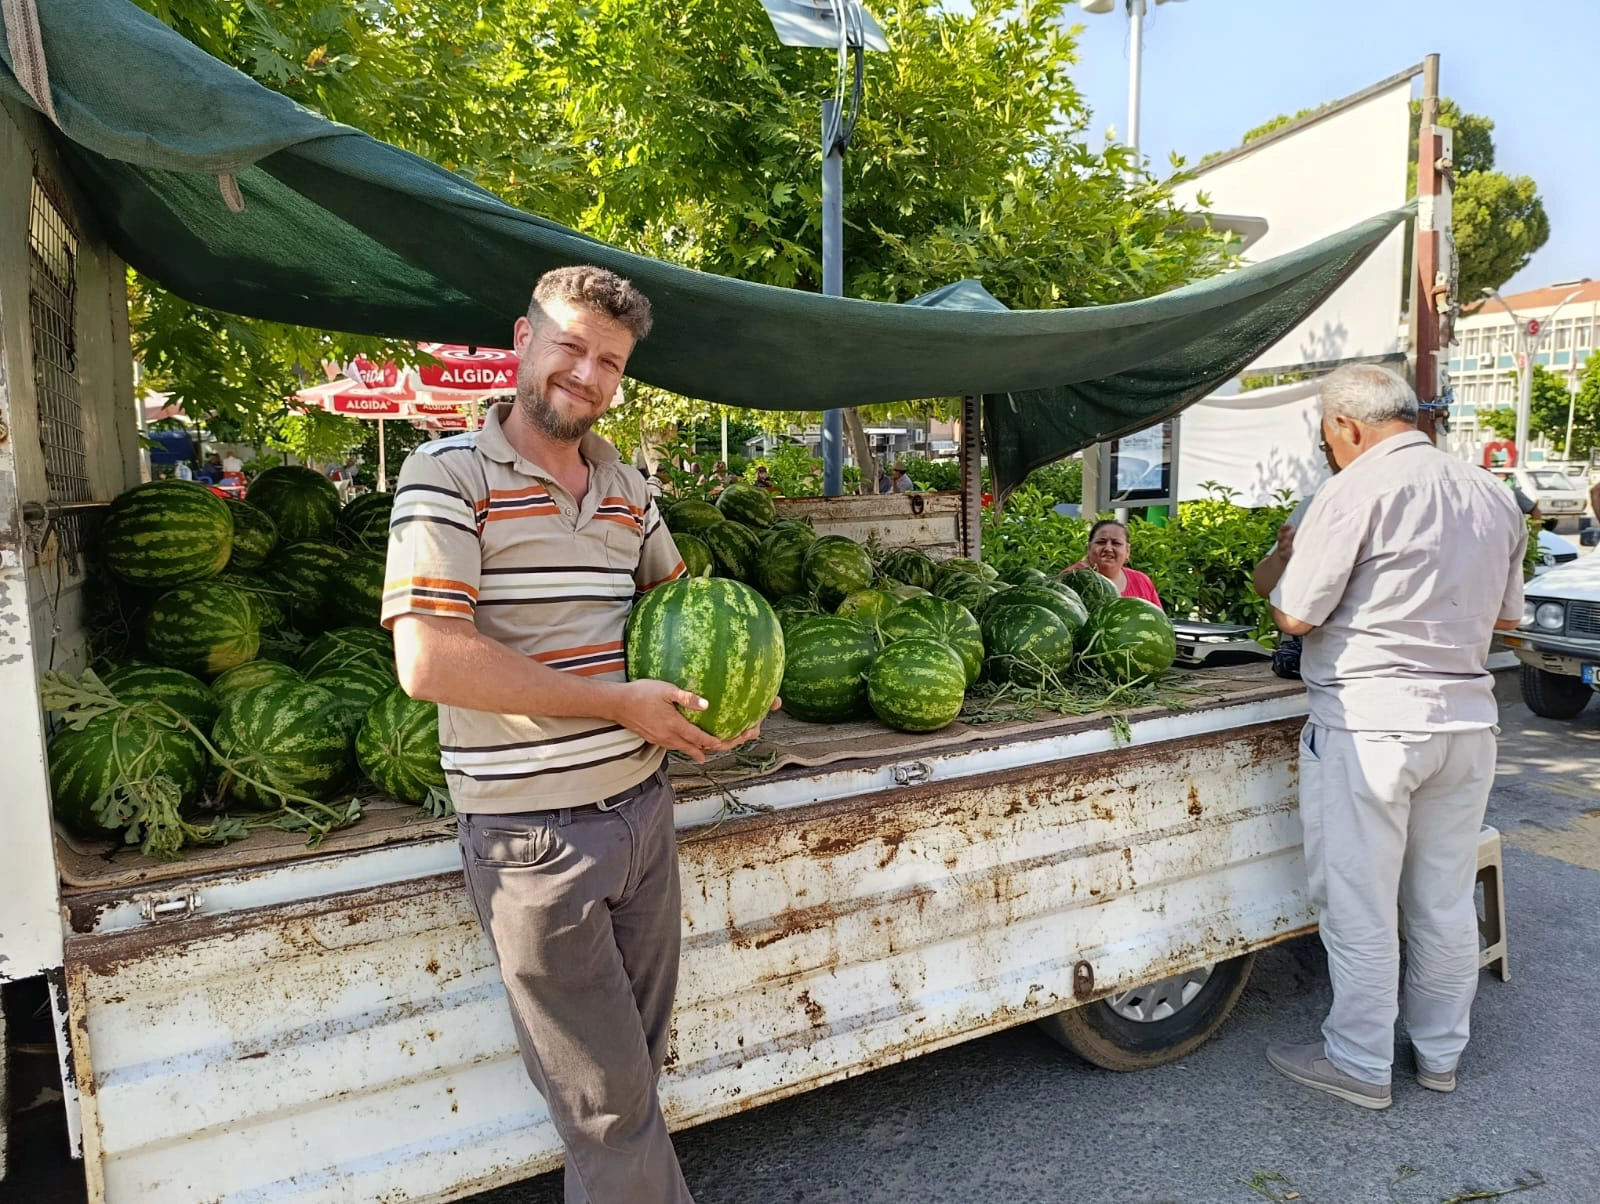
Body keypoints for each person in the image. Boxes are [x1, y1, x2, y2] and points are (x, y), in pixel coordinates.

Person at [384, 265, 772, 1204]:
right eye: (569, 345)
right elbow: (429, 662)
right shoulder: (446, 475)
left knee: (630, 1074)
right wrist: (618, 704)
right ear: (522, 339)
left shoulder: (630, 489)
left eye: (610, 360)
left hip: (642, 816)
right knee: (605, 1104)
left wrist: (722, 700)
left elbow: (683, 609)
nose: (586, 374)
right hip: (532, 840)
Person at [1264, 363, 1526, 1111]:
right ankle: (1441, 1056)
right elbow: (1507, 619)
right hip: (1467, 725)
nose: (1330, 449)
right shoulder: (1491, 493)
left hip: (1371, 726)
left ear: (1346, 425)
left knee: (1360, 903)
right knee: (1442, 901)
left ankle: (1358, 1062)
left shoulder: (1354, 490)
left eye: (1327, 435)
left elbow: (1295, 616)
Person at [1067, 519, 1162, 607]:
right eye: (1101, 542)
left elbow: (1160, 621)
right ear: (1089, 548)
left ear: (1127, 551)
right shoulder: (1072, 578)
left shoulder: (1141, 581)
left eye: (1116, 543)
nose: (1108, 548)